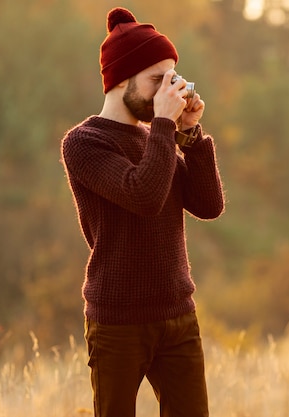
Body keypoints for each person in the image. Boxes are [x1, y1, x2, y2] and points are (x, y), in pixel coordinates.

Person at [61, 7, 224, 417]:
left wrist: (188, 132)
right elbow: (144, 195)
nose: (168, 91)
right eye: (157, 81)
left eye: (173, 79)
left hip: (178, 314)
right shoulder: (84, 143)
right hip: (117, 322)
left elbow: (208, 206)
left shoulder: (159, 137)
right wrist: (167, 130)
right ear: (120, 80)